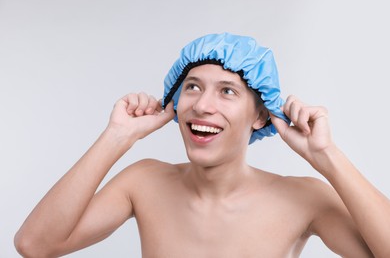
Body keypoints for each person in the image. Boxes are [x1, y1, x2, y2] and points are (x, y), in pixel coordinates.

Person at [14, 33, 390, 258]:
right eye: (192, 86)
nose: (202, 104)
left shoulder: (304, 198)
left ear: (260, 116)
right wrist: (117, 136)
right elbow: (35, 245)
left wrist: (327, 157)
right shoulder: (143, 183)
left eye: (227, 91)